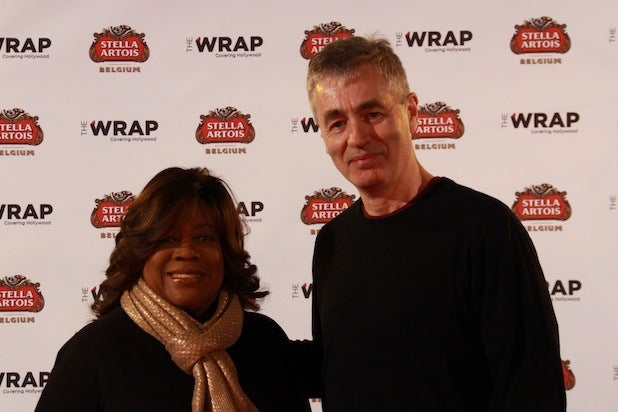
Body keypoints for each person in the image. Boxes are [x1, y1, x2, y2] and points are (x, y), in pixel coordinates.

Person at [305, 35, 566, 411]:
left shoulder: (487, 229)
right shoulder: (331, 241)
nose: (357, 138)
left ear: (411, 112)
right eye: (337, 123)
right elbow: (338, 369)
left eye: (372, 114)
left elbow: (531, 389)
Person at [36, 167, 311, 412]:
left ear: (225, 253)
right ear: (140, 251)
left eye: (205, 237)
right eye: (168, 238)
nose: (187, 252)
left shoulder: (265, 341)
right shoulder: (94, 352)